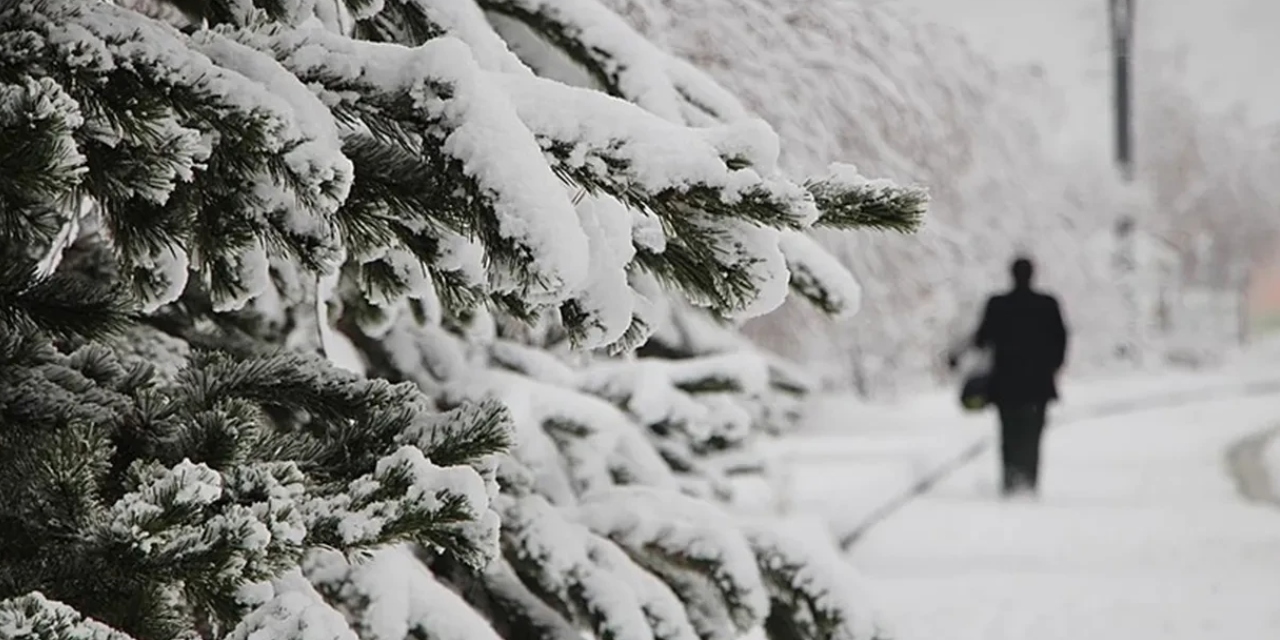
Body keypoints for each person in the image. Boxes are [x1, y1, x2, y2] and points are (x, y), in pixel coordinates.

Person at [949, 257, 1068, 497]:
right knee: (1033, 433)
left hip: (1006, 384)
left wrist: (957, 355)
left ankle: (1011, 481)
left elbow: (981, 338)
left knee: (1009, 433)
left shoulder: (998, 304)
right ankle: (1029, 482)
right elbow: (1061, 340)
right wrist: (1051, 367)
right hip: (1038, 384)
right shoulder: (1047, 304)